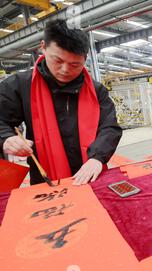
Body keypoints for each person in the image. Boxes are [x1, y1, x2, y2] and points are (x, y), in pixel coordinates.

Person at [0, 20, 122, 185]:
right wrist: (6, 138)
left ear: (85, 59)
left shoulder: (96, 90)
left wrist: (98, 158)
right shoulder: (19, 85)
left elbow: (110, 127)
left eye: (74, 64)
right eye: (58, 60)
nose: (65, 70)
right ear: (43, 47)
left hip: (91, 173)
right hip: (45, 179)